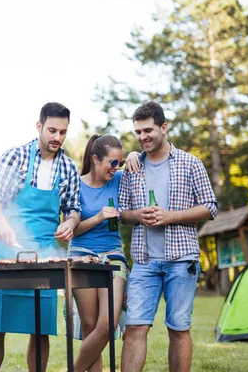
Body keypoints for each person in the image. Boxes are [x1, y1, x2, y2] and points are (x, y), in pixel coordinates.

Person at [119, 101, 218, 372]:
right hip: (144, 260)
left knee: (178, 327)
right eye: (138, 132)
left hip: (181, 260)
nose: (143, 137)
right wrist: (138, 215)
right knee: (135, 326)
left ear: (164, 127)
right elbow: (122, 213)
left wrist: (170, 216)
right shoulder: (132, 167)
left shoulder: (190, 163)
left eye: (148, 130)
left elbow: (210, 207)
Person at [0, 102, 81, 372]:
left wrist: (70, 223)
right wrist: (1, 222)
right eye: (52, 130)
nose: (57, 138)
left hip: (46, 255)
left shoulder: (69, 167)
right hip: (7, 252)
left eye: (63, 132)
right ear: (39, 126)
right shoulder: (15, 157)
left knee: (40, 330)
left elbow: (74, 209)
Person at [68, 134, 139, 372]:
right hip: (81, 255)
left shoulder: (118, 178)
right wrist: (98, 217)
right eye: (112, 162)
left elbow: (145, 162)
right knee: (89, 325)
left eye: (119, 162)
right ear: (96, 159)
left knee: (107, 324)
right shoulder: (75, 184)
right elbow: (72, 230)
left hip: (113, 256)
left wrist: (132, 155)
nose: (115, 167)